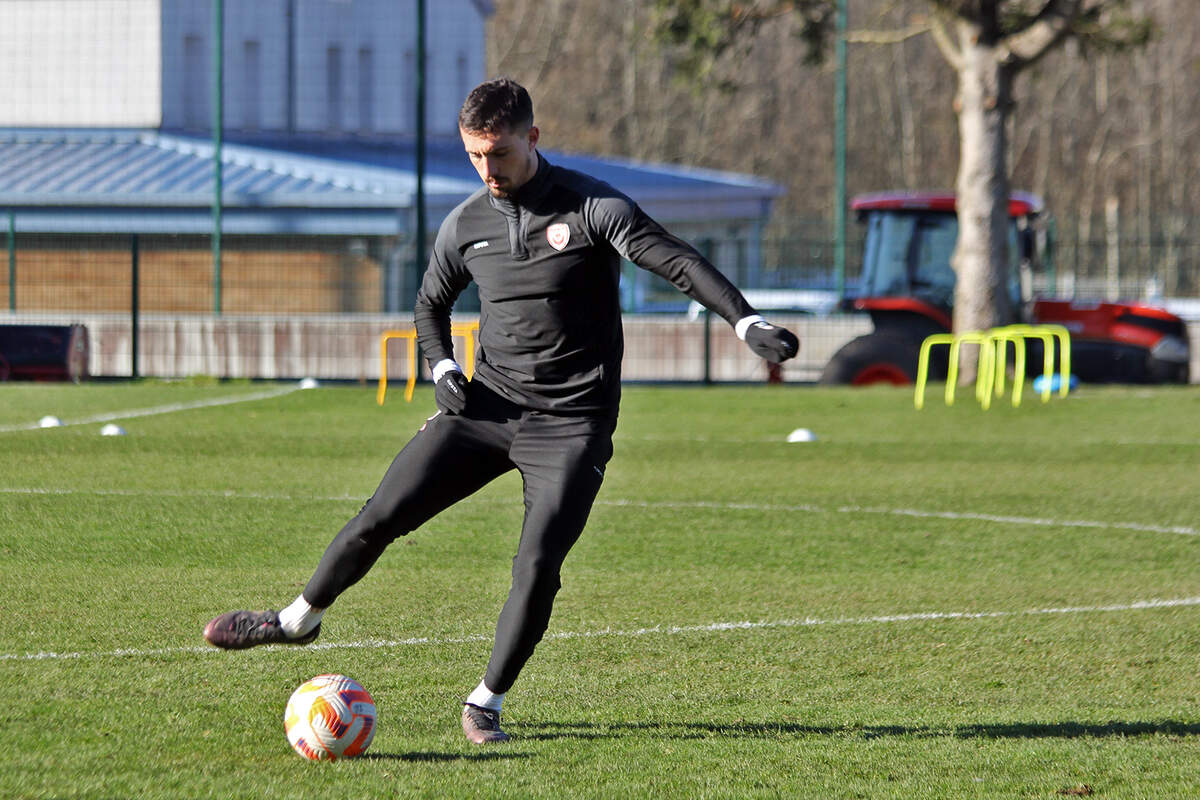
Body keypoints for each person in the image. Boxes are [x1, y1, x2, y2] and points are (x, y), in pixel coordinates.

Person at [203, 77, 799, 745]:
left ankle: (486, 701)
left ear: (533, 139)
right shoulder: (466, 224)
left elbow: (678, 263)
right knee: (379, 517)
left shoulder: (593, 207)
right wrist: (443, 368)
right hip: (486, 407)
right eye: (475, 156)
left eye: (500, 153)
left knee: (537, 565)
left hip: (573, 424)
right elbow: (430, 307)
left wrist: (746, 323)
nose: (488, 169)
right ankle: (293, 622)